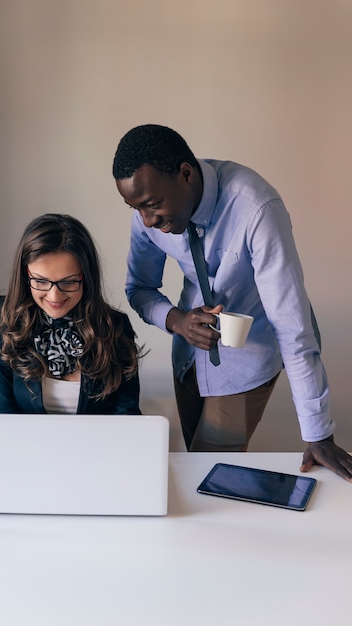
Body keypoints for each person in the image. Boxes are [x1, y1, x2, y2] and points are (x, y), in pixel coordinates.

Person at [112, 123, 352, 482]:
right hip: (188, 355)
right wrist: (178, 322)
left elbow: (292, 324)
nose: (147, 221)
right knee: (195, 466)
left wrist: (318, 433)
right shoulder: (147, 213)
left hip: (246, 363)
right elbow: (139, 288)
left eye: (152, 205)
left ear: (186, 174)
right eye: (136, 208)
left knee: (211, 474)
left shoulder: (256, 208)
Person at [0, 213, 143, 416]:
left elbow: (126, 417)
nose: (54, 296)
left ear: (86, 278)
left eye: (68, 282)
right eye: (41, 281)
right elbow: (1, 417)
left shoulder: (115, 327)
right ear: (26, 275)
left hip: (97, 447)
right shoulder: (5, 329)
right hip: (25, 447)